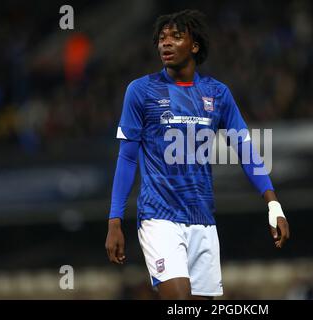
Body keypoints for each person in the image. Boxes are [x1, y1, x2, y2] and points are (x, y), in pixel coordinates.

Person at [105, 9, 289, 300]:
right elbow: (127, 158)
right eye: (162, 38)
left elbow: (244, 149)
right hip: (159, 216)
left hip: (203, 218)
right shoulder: (140, 91)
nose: (165, 43)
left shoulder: (217, 94)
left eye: (176, 37)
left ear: (195, 45)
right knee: (180, 301)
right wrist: (114, 220)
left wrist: (273, 203)